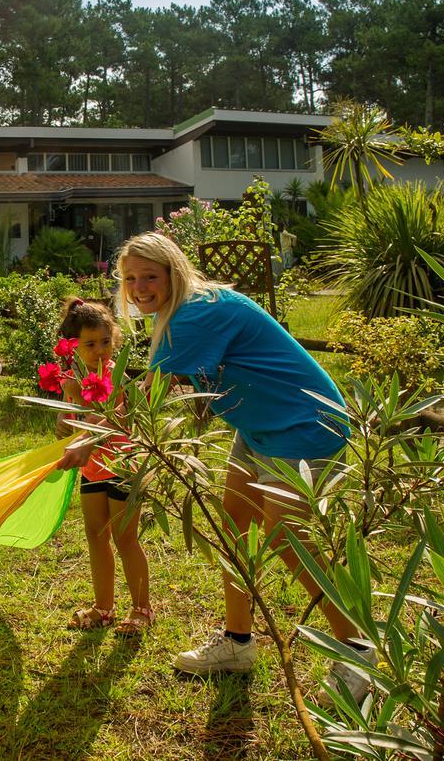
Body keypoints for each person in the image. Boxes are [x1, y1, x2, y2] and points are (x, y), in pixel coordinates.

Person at [80, 231, 372, 702]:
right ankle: (237, 644)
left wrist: (86, 441)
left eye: (150, 276)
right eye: (130, 278)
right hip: (260, 427)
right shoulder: (181, 312)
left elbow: (146, 399)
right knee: (235, 525)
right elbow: (187, 393)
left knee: (285, 537)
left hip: (304, 424)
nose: (139, 288)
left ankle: (358, 649)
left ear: (174, 272)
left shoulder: (195, 313)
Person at [53, 298, 153, 635]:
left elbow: (108, 417)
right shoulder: (72, 377)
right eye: (90, 344)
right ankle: (104, 607)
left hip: (122, 464)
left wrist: (79, 414)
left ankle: (142, 610)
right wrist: (63, 420)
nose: (100, 351)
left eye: (106, 342)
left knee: (126, 538)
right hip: (93, 468)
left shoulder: (113, 373)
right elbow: (74, 417)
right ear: (72, 348)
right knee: (96, 535)